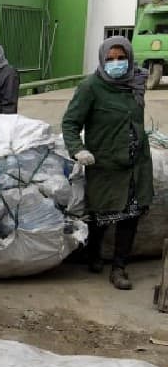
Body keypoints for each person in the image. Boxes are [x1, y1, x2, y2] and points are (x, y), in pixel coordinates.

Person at [61, 36, 152, 291]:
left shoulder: (136, 84)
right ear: (102, 60)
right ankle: (93, 254)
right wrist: (77, 150)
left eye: (121, 58)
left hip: (136, 163)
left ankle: (119, 268)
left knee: (130, 216)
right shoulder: (91, 87)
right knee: (101, 214)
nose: (116, 63)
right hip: (105, 163)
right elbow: (70, 123)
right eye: (110, 59)